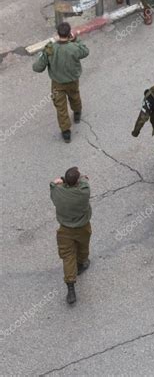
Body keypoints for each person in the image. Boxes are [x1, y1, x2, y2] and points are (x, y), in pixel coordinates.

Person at [32, 22, 89, 143]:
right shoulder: (74, 47)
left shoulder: (50, 48)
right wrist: (76, 40)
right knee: (75, 96)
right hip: (73, 80)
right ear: (69, 34)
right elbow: (85, 51)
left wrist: (44, 54)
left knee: (61, 107)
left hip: (57, 83)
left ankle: (66, 132)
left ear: (58, 33)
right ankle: (77, 113)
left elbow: (37, 67)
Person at [50, 167, 92, 304]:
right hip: (82, 227)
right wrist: (80, 177)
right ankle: (82, 264)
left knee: (68, 257)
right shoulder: (84, 192)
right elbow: (85, 180)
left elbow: (53, 184)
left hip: (65, 230)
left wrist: (62, 180)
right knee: (83, 246)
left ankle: (71, 288)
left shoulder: (57, 192)